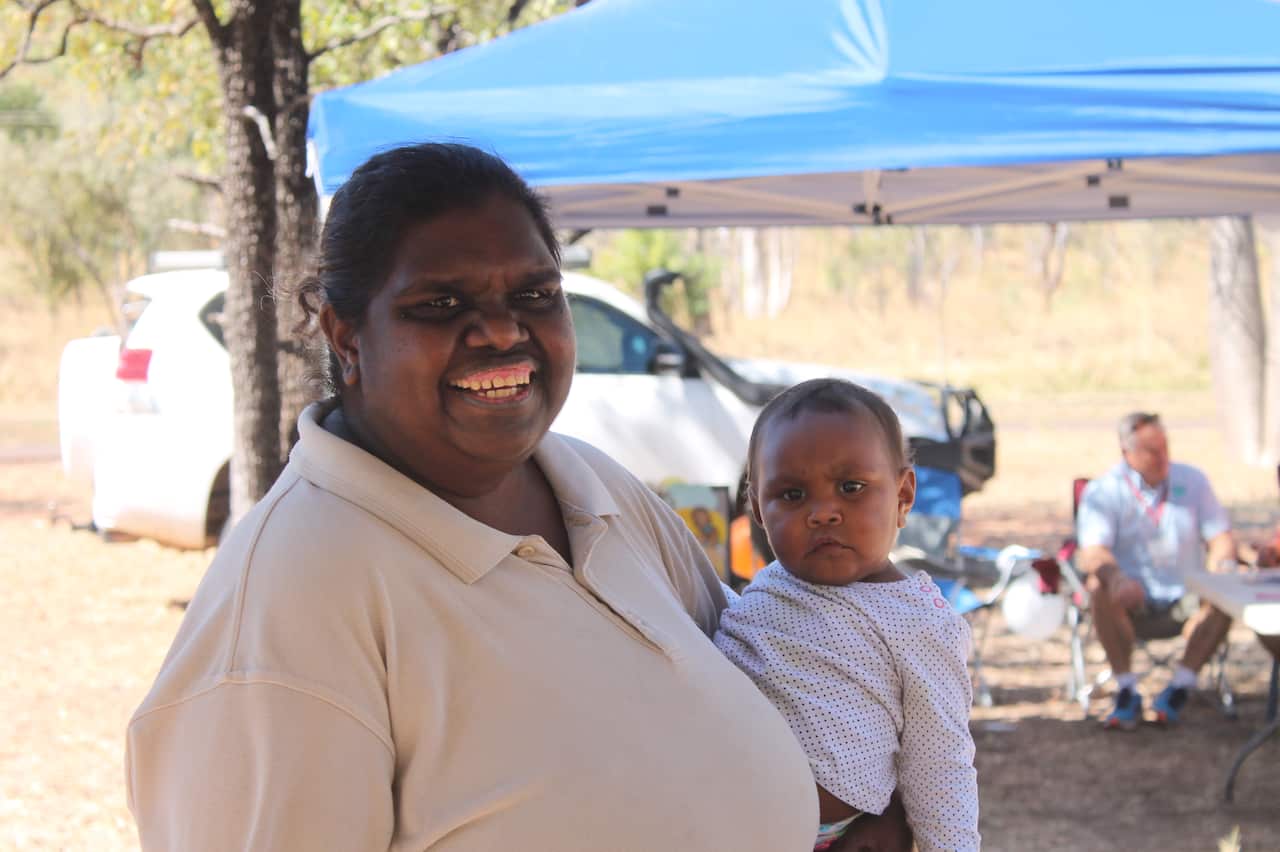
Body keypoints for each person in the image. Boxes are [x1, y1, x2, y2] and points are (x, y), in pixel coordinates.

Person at [124, 143, 911, 851]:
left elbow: (770, 691)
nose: (502, 332)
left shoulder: (596, 488)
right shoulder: (292, 602)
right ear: (346, 336)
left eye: (535, 295)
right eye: (441, 305)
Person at [714, 378, 981, 852]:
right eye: (792, 495)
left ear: (903, 495)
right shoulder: (765, 590)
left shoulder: (920, 624)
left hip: (825, 834)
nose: (822, 513)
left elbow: (939, 763)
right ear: (757, 507)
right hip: (715, 814)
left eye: (851, 487)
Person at [1076, 411, 1240, 730]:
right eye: (1153, 451)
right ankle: (1125, 689)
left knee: (1226, 591)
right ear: (1127, 453)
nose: (1163, 457)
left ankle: (1180, 686)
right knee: (1098, 587)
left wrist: (1222, 564)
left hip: (1188, 596)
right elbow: (1092, 552)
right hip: (1132, 600)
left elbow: (1221, 537)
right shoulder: (1104, 490)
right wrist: (1116, 578)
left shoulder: (1193, 480)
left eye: (1165, 447)